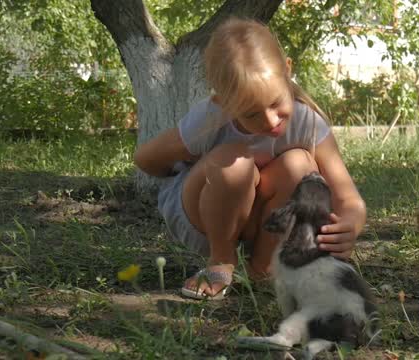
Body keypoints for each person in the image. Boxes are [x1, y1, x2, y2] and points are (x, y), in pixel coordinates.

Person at [134, 17, 366, 300]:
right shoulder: (210, 119)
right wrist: (194, 165)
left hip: (265, 222)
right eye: (251, 114)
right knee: (235, 163)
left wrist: (351, 223)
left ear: (287, 71)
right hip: (208, 218)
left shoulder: (308, 124)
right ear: (222, 102)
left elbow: (348, 197)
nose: (270, 122)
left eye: (275, 103)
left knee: (299, 165)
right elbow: (146, 159)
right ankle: (221, 259)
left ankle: (262, 267)